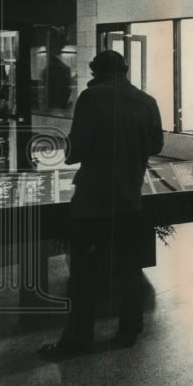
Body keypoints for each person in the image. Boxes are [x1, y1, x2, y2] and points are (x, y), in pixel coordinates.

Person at [39, 50, 164, 360]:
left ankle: (79, 338)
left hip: (93, 201)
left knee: (83, 274)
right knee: (130, 267)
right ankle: (129, 330)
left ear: (97, 70)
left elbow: (76, 150)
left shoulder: (91, 98)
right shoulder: (147, 101)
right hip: (130, 198)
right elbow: (157, 145)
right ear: (124, 69)